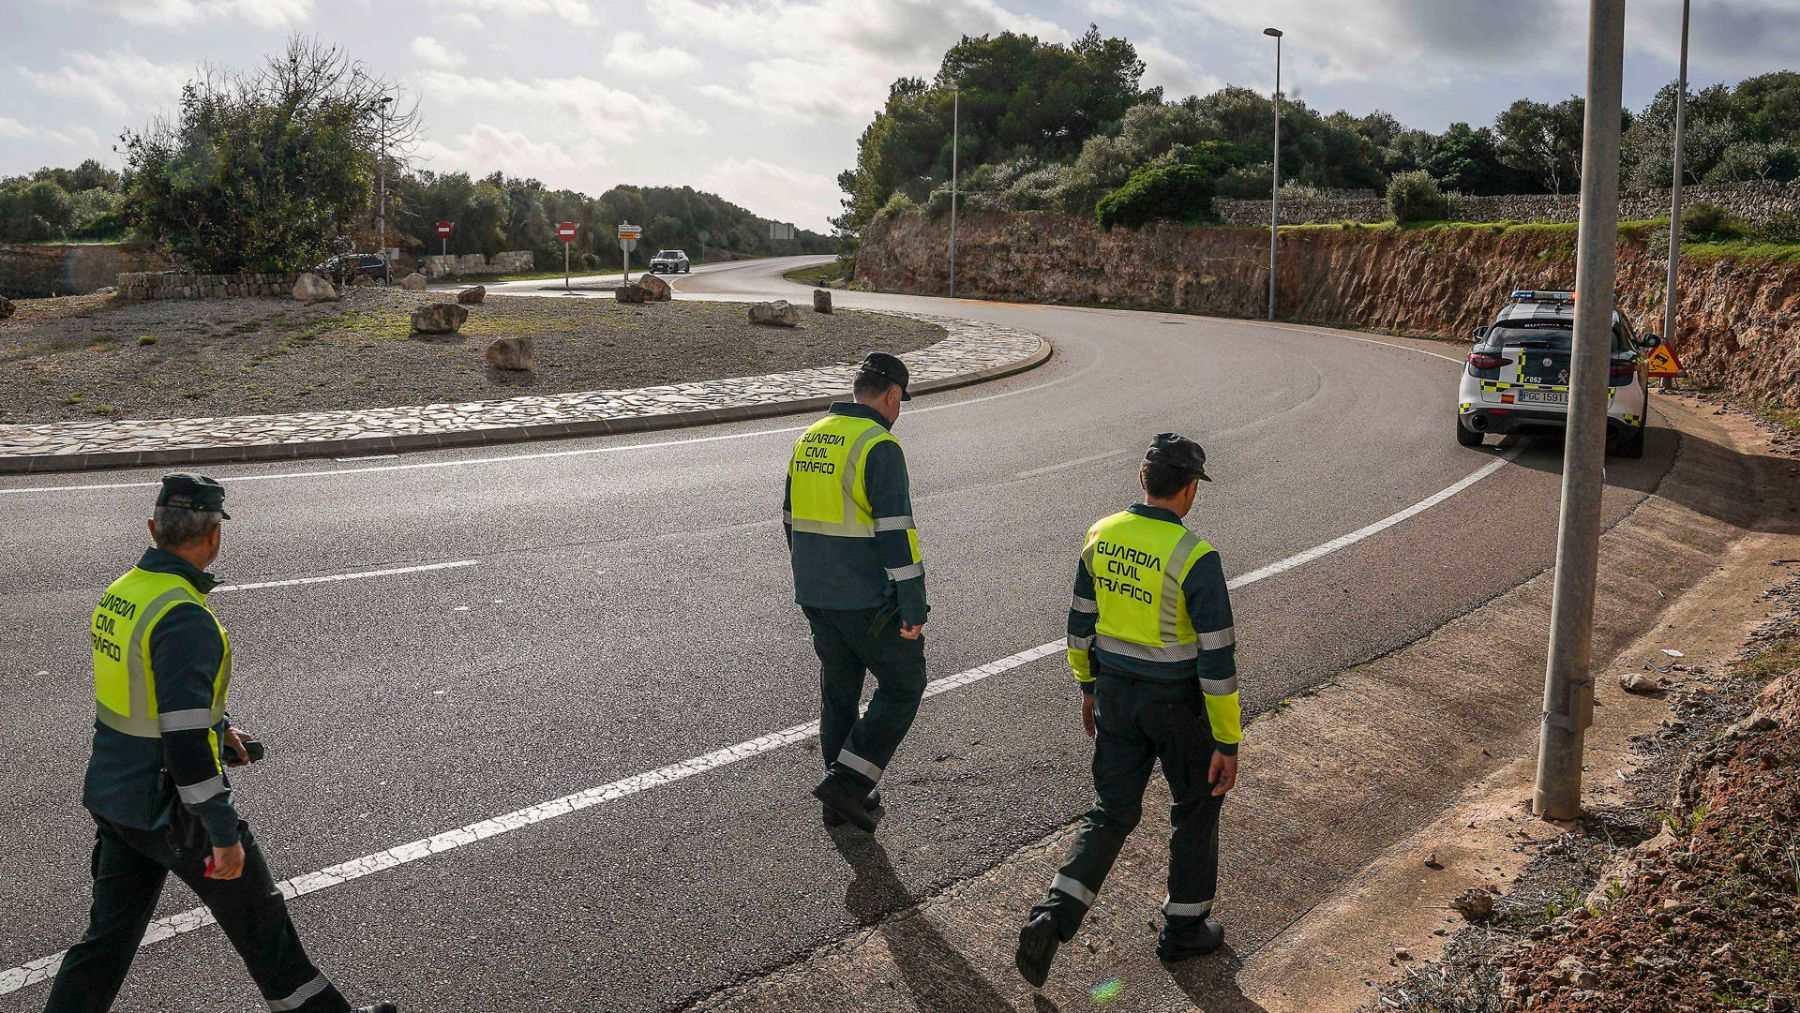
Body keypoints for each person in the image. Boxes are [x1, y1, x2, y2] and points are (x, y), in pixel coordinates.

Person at [46, 474, 394, 1013]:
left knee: (105, 946)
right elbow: (183, 743)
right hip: (177, 812)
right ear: (213, 538)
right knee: (262, 925)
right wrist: (222, 832)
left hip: (117, 797)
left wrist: (219, 722)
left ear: (152, 528)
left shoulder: (123, 592)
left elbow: (146, 689)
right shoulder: (184, 615)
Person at [1014, 434, 1243, 987]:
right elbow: (1216, 659)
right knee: (1195, 806)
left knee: (1111, 812)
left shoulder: (1102, 534)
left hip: (1115, 695)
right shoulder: (1196, 556)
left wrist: (1088, 688)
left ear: (1144, 480)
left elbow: (1078, 624)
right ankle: (1183, 928)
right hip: (1176, 707)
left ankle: (1054, 915)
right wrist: (1226, 743)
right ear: (1189, 490)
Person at [782, 353, 928, 832]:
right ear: (890, 397)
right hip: (866, 599)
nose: (898, 411)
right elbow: (896, 534)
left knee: (840, 693)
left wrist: (809, 577)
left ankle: (839, 806)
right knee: (904, 685)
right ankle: (847, 783)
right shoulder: (879, 445)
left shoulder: (809, 437)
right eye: (899, 402)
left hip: (815, 593)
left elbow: (789, 519)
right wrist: (912, 605)